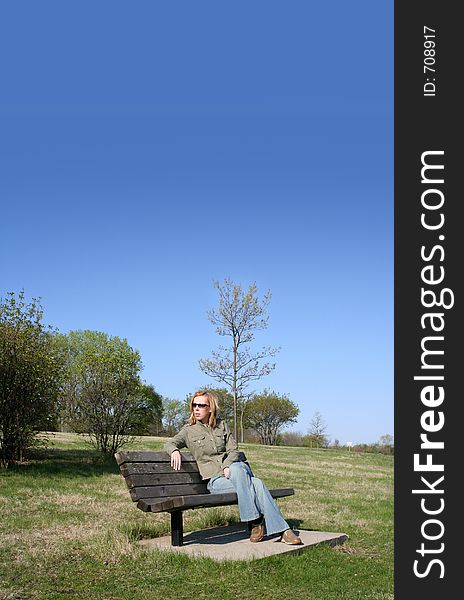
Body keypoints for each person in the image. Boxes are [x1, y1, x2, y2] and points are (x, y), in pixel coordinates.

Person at [164, 389, 302, 545]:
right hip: (216, 481)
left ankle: (257, 524)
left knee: (237, 469)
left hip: (235, 471)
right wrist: (174, 451)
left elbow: (233, 450)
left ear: (210, 408)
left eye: (201, 405)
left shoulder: (222, 425)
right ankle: (274, 527)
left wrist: (227, 465)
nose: (196, 408)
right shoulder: (188, 430)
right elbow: (170, 443)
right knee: (257, 484)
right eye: (194, 405)